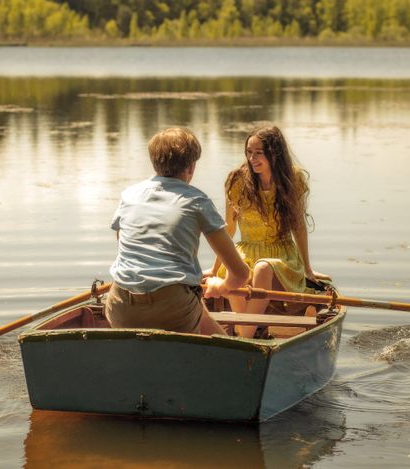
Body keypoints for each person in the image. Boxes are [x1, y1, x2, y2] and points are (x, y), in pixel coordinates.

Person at [106, 127, 250, 335]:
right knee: (192, 306)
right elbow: (240, 274)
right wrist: (221, 286)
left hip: (121, 304)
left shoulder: (129, 195)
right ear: (191, 166)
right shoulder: (196, 201)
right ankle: (235, 361)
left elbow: (125, 249)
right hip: (172, 308)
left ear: (154, 163)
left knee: (199, 311)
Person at [206, 124, 331, 338]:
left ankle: (244, 336)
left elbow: (298, 226)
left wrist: (307, 269)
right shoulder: (237, 180)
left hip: (281, 255)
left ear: (274, 153)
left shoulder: (293, 178)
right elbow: (228, 229)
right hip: (246, 251)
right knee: (232, 271)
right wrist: (214, 267)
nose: (252, 158)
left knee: (263, 268)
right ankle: (252, 330)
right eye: (249, 152)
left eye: (258, 153)